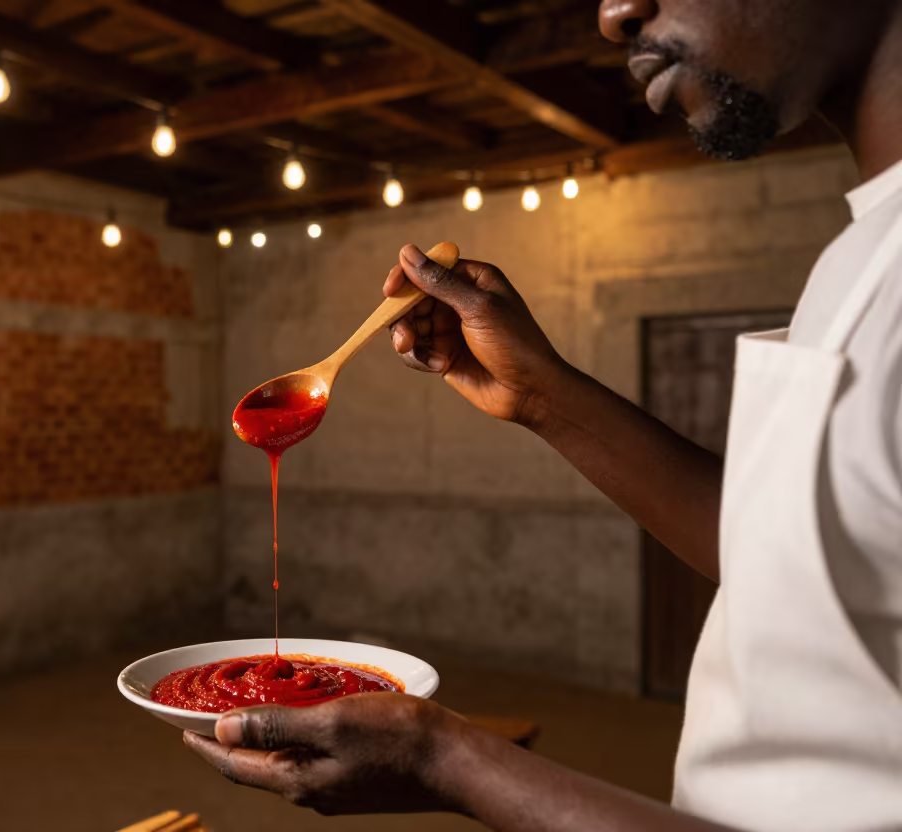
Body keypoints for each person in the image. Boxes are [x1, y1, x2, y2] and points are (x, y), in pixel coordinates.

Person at [184, 0, 902, 828]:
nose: (614, 14)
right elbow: (781, 555)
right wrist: (540, 395)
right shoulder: (863, 254)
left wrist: (443, 758)